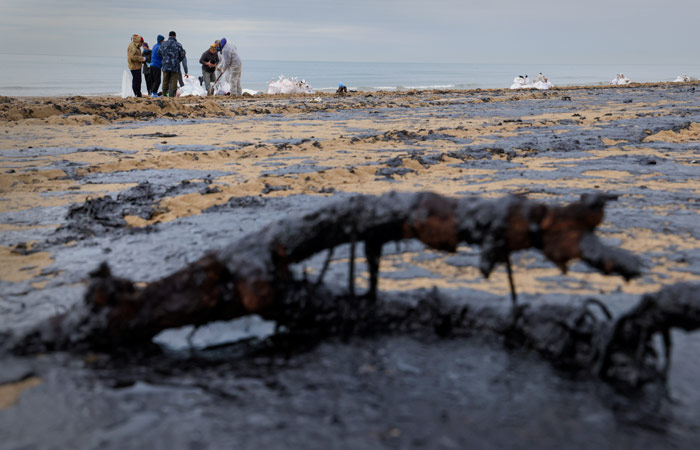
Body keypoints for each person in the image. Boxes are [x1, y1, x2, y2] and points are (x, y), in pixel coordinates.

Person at [158, 31, 185, 97]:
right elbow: (182, 55)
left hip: (165, 65)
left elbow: (159, 53)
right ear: (175, 36)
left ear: (169, 36)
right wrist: (178, 60)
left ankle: (164, 95)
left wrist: (165, 59)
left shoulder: (163, 44)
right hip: (175, 66)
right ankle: (172, 95)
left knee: (165, 81)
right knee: (174, 82)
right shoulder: (178, 45)